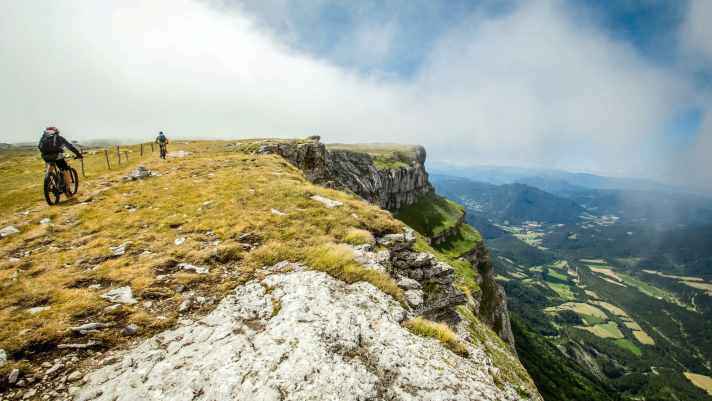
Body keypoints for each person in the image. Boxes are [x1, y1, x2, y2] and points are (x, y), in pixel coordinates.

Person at [37, 127, 82, 195]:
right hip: (57, 156)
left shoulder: (44, 138)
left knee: (51, 166)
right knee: (65, 170)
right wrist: (78, 154)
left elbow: (39, 147)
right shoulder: (59, 138)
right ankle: (68, 190)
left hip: (45, 156)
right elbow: (70, 147)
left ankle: (48, 181)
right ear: (57, 132)